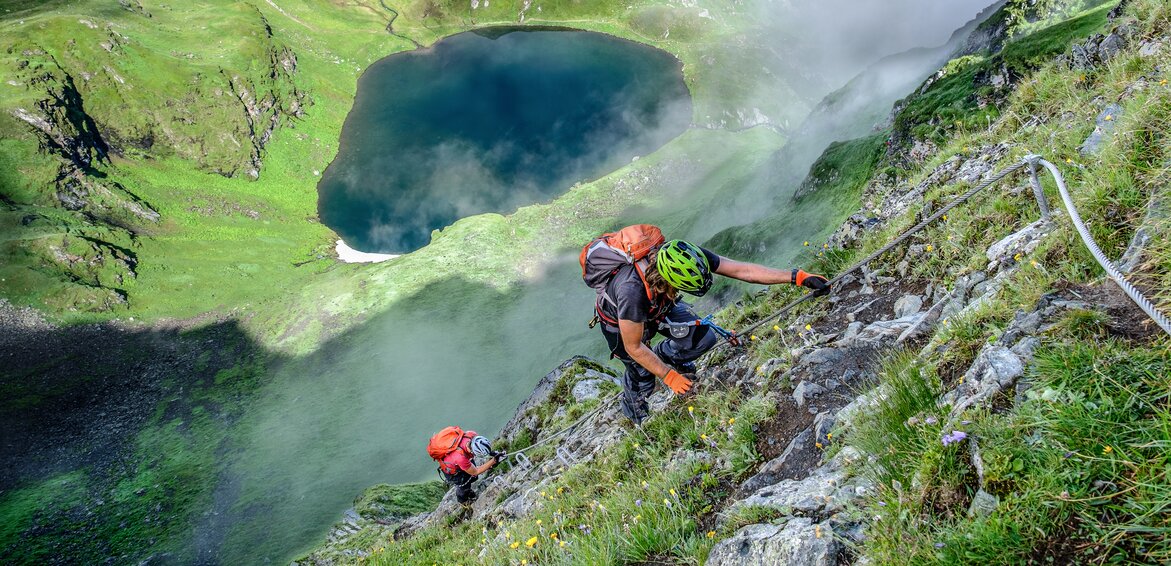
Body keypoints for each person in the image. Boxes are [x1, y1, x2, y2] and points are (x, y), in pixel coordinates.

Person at [595, 238, 830, 424]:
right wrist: (668, 376)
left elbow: (742, 271)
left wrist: (797, 277)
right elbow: (633, 346)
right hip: (622, 324)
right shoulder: (631, 292)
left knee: (702, 338)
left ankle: (664, 355)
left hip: (661, 305)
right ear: (665, 281)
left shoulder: (687, 255)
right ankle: (635, 410)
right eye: (677, 287)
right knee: (641, 373)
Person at [427, 427, 504, 505]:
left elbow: (481, 447)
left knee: (473, 478)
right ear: (472, 451)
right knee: (464, 485)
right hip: (454, 472)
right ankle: (463, 500)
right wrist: (494, 460)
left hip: (461, 460)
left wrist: (492, 453)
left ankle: (467, 490)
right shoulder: (460, 458)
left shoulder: (471, 435)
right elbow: (476, 471)